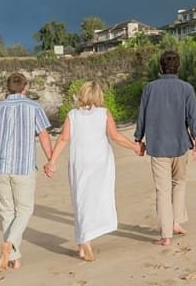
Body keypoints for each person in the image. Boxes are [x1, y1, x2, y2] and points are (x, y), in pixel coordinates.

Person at [43, 81, 143, 261]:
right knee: (98, 197)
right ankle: (85, 240)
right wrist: (134, 147)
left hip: (80, 161)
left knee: (81, 199)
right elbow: (115, 136)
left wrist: (52, 161)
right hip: (101, 162)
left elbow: (64, 139)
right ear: (99, 96)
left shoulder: (73, 115)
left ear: (82, 95)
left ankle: (84, 241)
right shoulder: (104, 113)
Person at [0, 73, 53, 272]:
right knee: (25, 210)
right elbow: (44, 135)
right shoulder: (34, 107)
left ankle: (14, 259)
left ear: (8, 87)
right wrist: (50, 160)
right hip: (24, 167)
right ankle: (10, 243)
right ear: (25, 87)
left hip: (1, 167)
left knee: (7, 213)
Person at [133, 50, 196, 246]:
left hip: (157, 145)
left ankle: (166, 235)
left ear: (160, 67)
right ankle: (176, 222)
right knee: (179, 183)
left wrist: (138, 139)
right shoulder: (186, 88)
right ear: (178, 67)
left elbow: (142, 116)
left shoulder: (150, 88)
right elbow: (192, 116)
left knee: (162, 190)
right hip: (180, 144)